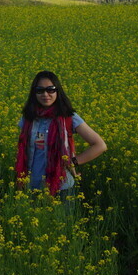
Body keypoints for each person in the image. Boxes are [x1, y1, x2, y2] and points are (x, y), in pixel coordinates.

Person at [15, 70, 106, 198]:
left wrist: (72, 162)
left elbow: (99, 145)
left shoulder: (69, 117)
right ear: (34, 93)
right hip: (31, 187)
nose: (45, 94)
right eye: (40, 90)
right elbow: (23, 152)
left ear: (58, 91)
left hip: (61, 188)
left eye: (50, 89)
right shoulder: (28, 118)